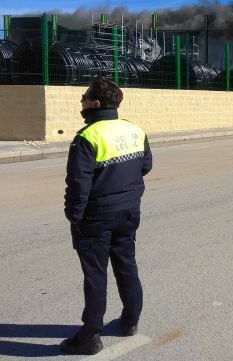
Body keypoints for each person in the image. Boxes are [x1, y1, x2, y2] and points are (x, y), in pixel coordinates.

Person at [61, 77, 152, 355]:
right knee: (126, 265)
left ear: (96, 103)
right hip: (128, 211)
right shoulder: (135, 130)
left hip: (96, 217)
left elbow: (79, 183)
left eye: (85, 97)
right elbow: (145, 166)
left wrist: (74, 215)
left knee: (95, 275)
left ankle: (90, 337)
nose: (82, 101)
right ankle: (129, 321)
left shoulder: (87, 137)